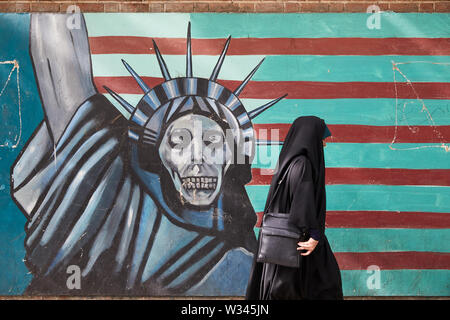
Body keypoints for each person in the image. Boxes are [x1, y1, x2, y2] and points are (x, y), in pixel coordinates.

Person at [245, 116, 343, 300]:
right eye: (321, 139)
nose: (324, 144)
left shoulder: (289, 162)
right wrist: (314, 235)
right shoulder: (304, 165)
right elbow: (302, 204)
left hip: (282, 241)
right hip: (299, 242)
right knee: (325, 284)